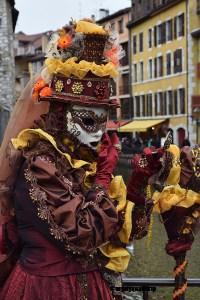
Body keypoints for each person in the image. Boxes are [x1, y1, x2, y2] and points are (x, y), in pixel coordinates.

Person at [0, 19, 164, 300]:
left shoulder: (82, 163)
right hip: (46, 290)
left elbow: (125, 235)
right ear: (60, 115)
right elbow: (84, 235)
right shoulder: (40, 162)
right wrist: (102, 178)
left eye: (104, 123)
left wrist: (138, 184)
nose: (97, 135)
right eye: (87, 120)